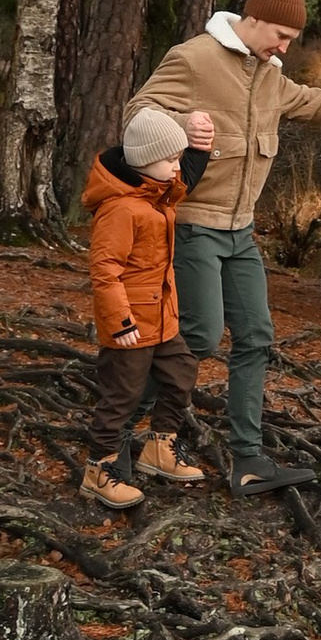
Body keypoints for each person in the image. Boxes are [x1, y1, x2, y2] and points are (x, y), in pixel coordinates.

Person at [127, 0, 321, 493]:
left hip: (241, 234)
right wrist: (183, 127)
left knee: (256, 337)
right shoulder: (194, 58)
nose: (284, 46)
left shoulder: (269, 75)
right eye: (279, 34)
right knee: (201, 336)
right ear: (251, 19)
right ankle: (128, 434)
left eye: (291, 40)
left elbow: (313, 101)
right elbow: (138, 112)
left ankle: (247, 459)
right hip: (193, 227)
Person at [79, 101, 216, 513]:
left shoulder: (157, 197)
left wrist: (200, 149)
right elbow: (104, 270)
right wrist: (120, 321)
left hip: (163, 320)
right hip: (130, 325)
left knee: (181, 373)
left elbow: (185, 177)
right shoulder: (122, 208)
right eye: (170, 159)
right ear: (143, 162)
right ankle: (99, 472)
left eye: (178, 158)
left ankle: (159, 449)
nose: (177, 167)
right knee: (121, 397)